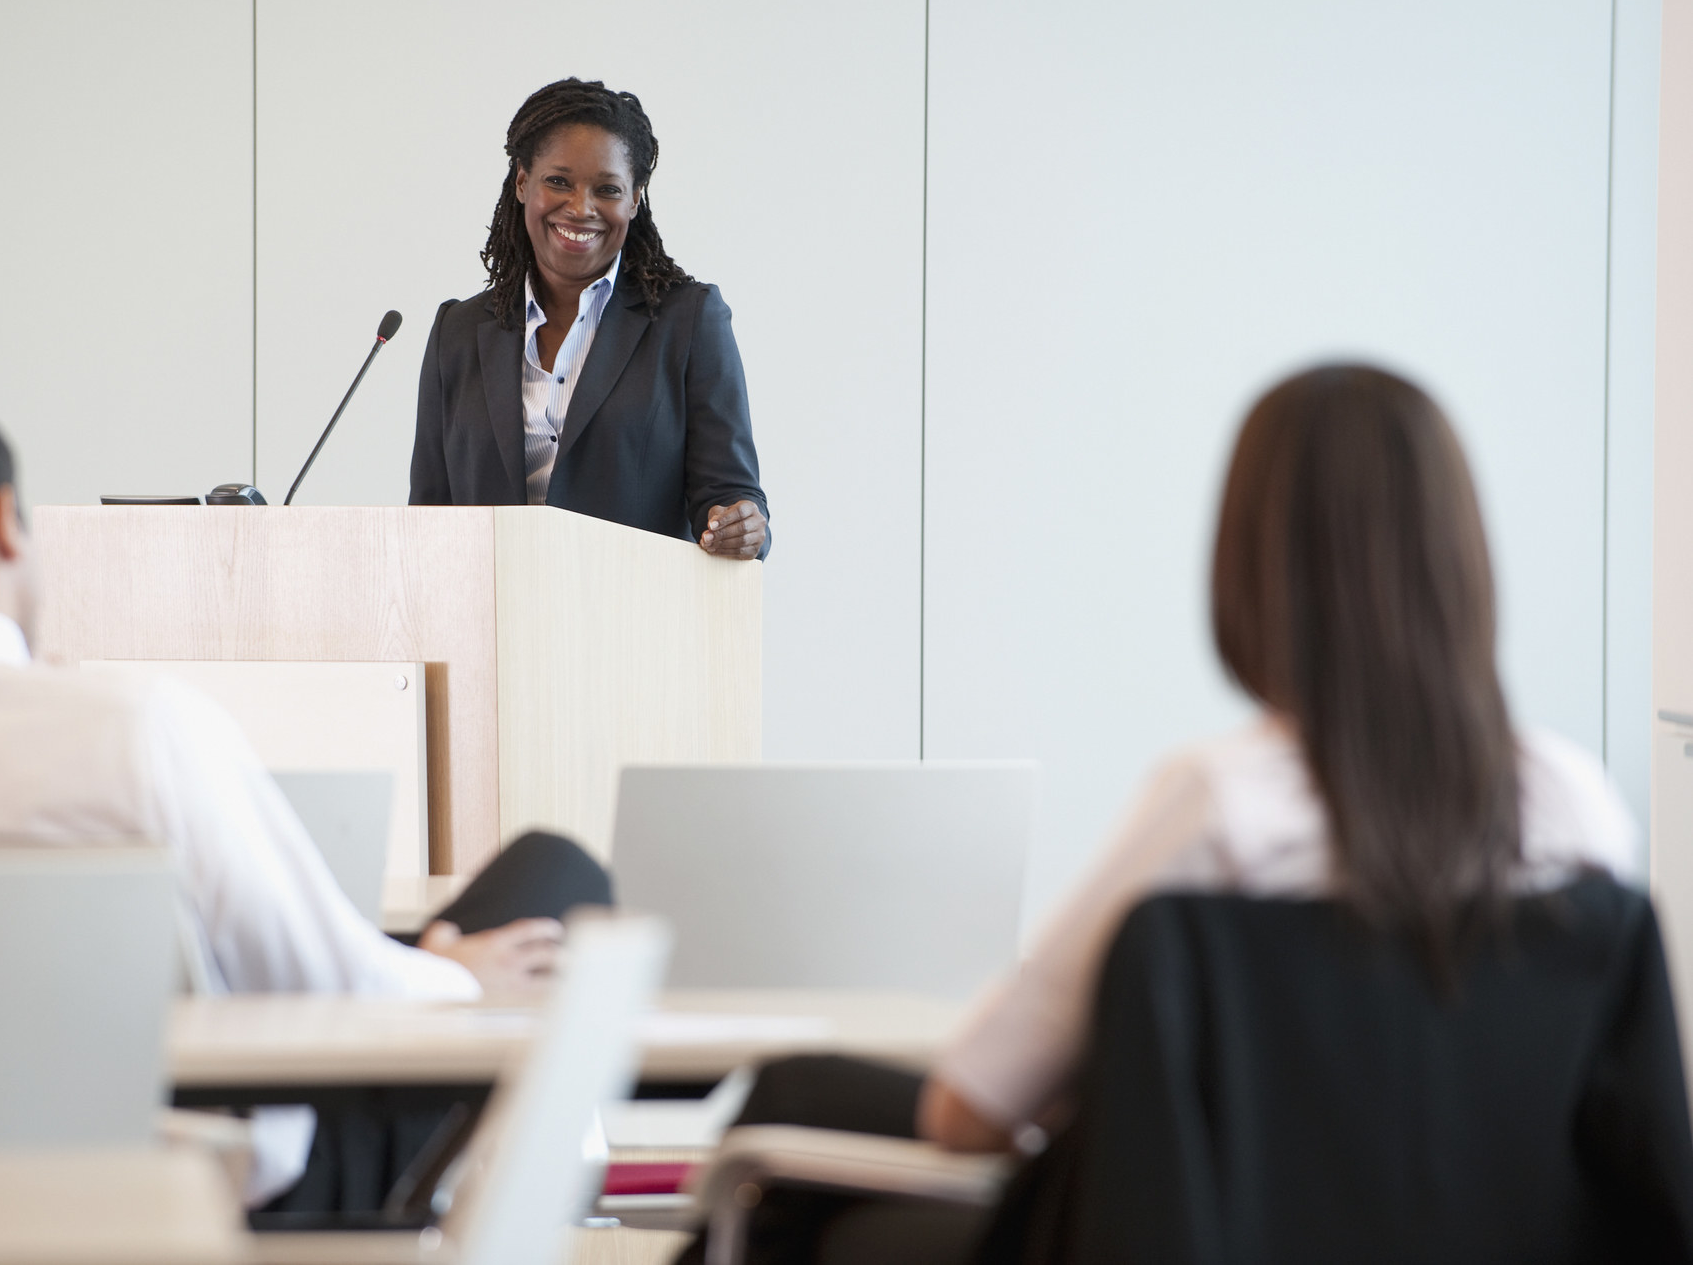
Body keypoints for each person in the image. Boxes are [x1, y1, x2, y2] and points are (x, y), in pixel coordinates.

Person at [691, 364, 1646, 1264]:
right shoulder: (1583, 820)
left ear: (1254, 567)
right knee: (805, 1099)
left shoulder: (1224, 807)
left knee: (790, 1153)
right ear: (1462, 561)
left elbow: (967, 1114)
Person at [0, 386, 613, 1208]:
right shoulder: (132, 732)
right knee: (550, 874)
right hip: (169, 1197)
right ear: (6, 524)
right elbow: (332, 989)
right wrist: (459, 973)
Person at [409, 77, 770, 559]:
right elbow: (427, 517)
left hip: (633, 618)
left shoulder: (688, 322)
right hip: (488, 623)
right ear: (522, 183)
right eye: (558, 181)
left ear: (635, 199)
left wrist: (741, 525)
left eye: (607, 189)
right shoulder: (456, 333)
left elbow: (729, 496)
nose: (580, 208)